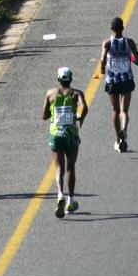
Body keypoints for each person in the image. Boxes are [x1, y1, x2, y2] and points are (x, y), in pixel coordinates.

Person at [43, 67, 88, 218]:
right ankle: (71, 200)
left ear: (58, 79)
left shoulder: (51, 94)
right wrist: (80, 118)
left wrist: (51, 111)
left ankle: (60, 194)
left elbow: (44, 115)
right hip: (71, 135)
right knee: (71, 167)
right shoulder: (76, 94)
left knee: (58, 168)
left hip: (56, 134)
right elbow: (84, 107)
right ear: (71, 79)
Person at [100, 17, 138, 153]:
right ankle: (124, 130)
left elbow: (102, 59)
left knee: (115, 110)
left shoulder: (107, 43)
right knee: (124, 111)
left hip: (113, 81)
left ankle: (118, 138)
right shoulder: (129, 42)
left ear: (111, 29)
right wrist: (128, 57)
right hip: (127, 80)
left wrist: (102, 68)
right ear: (123, 28)